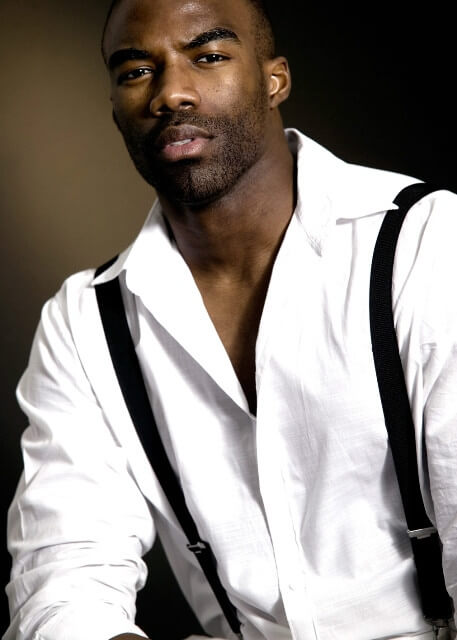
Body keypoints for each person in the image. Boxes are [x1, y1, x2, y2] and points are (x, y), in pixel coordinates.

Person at [4, 0, 457, 638]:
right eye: (136, 71)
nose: (171, 93)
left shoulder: (426, 243)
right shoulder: (85, 320)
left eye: (209, 56)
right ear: (114, 108)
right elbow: (64, 578)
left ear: (275, 79)